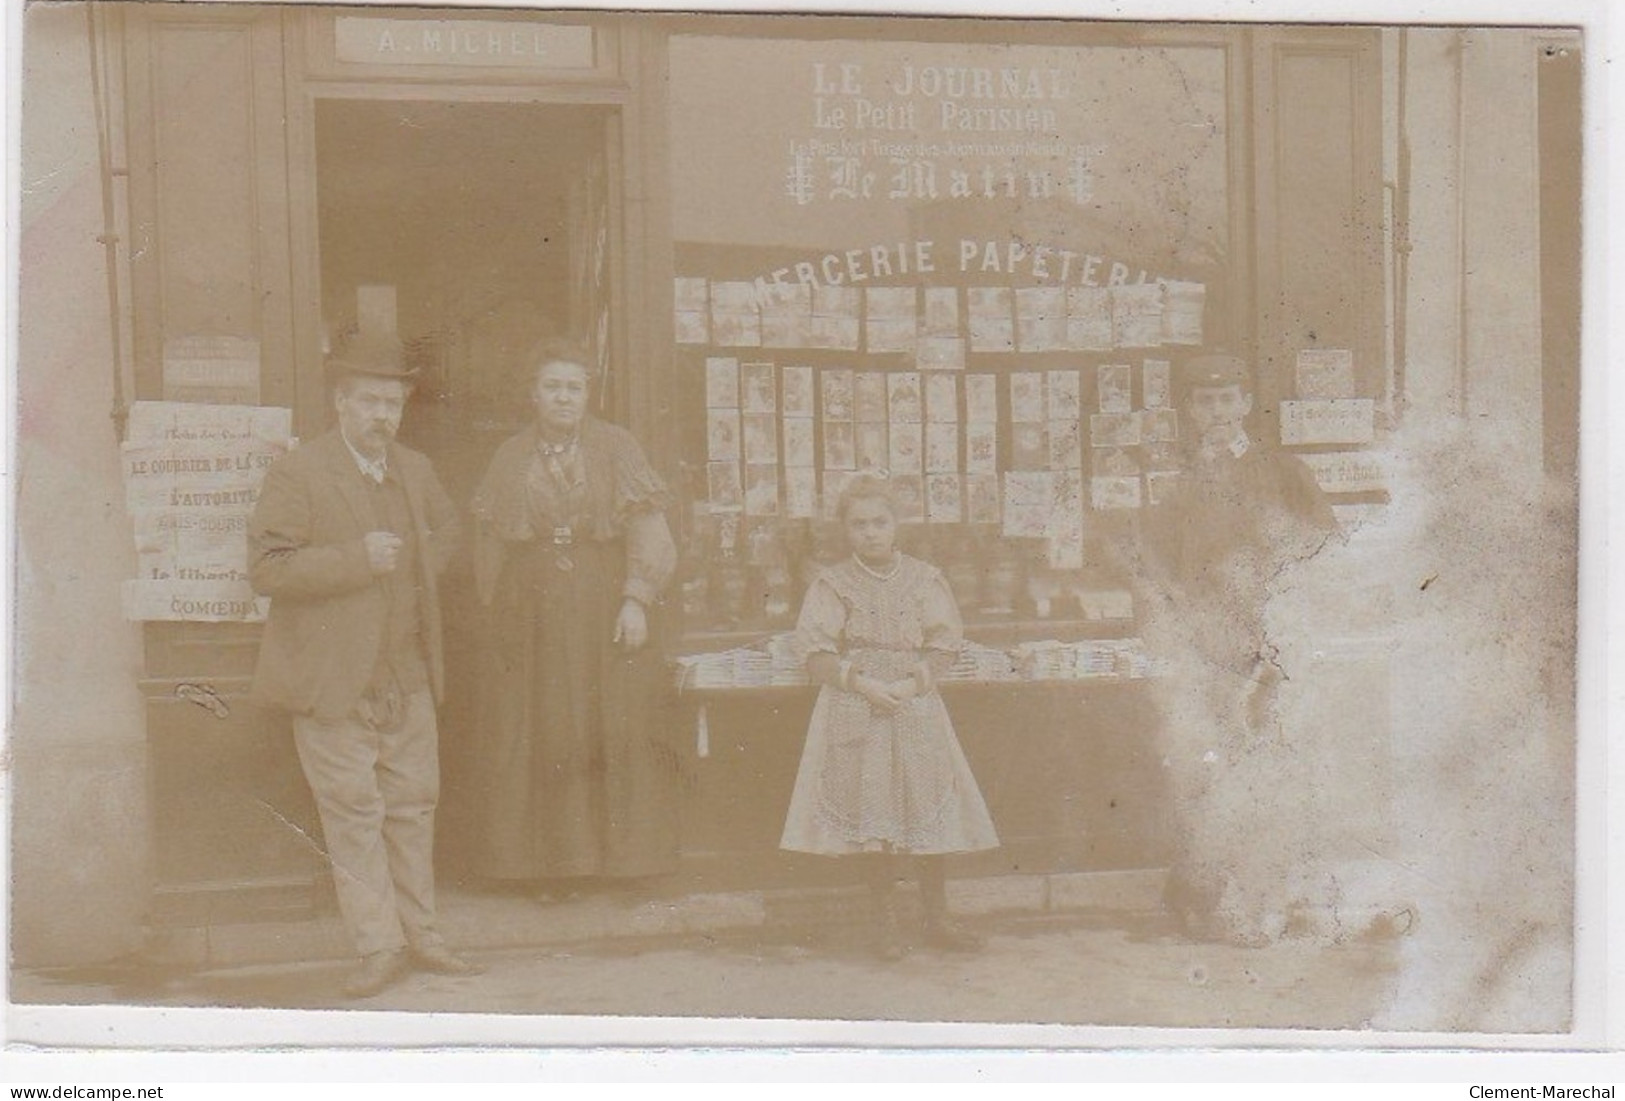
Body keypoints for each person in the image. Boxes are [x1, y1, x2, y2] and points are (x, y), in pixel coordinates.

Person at [248, 332, 479, 999]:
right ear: (340, 403)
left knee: (413, 808)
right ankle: (378, 947)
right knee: (352, 814)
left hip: (406, 676)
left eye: (393, 403)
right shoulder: (301, 472)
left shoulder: (414, 468)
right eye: (371, 401)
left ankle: (424, 937)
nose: (384, 415)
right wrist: (357, 558)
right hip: (331, 683)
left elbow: (447, 533)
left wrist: (417, 571)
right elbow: (266, 568)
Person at [1140, 352, 1339, 945]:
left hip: (1275, 642)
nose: (1218, 413)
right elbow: (1156, 566)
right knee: (1209, 767)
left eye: (1228, 399)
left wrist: (1292, 616)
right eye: (1205, 402)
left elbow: (1324, 543)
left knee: (1273, 766)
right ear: (1190, 412)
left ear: (1246, 405)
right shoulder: (1175, 483)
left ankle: (1268, 896)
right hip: (1207, 647)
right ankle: (1202, 894)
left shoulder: (1283, 472)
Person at [469, 338, 680, 887]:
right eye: (552, 387)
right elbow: (490, 543)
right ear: (533, 395)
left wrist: (636, 599)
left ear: (588, 393)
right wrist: (496, 611)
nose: (564, 397)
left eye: (574, 387)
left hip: (602, 600)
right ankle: (554, 871)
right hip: (532, 607)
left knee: (614, 726)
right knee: (543, 729)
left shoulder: (616, 447)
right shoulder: (511, 455)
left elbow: (649, 530)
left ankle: (626, 866)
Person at [782, 473, 999, 960]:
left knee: (927, 806)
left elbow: (946, 643)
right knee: (873, 812)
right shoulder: (831, 583)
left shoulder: (925, 579)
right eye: (859, 524)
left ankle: (936, 915)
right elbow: (814, 651)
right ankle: (883, 921)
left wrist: (909, 683)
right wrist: (860, 683)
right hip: (856, 703)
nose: (870, 532)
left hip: (912, 702)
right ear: (845, 529)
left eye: (880, 522)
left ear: (897, 525)